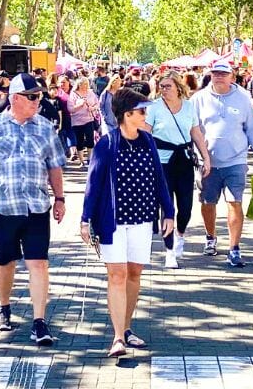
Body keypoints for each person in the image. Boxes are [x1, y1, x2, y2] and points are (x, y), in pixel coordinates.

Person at [0, 73, 66, 344]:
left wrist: (60, 199)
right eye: (33, 97)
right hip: (3, 207)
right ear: (15, 98)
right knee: (5, 261)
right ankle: (4, 306)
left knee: (38, 262)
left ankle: (39, 322)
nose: (38, 101)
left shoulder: (46, 127)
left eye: (40, 96)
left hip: (36, 207)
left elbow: (55, 165)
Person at [80, 88, 174, 357]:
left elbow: (159, 178)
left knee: (134, 274)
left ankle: (128, 327)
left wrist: (168, 211)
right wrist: (85, 220)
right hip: (113, 221)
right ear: (126, 115)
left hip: (143, 218)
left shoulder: (148, 140)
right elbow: (93, 184)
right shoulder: (107, 144)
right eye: (142, 111)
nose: (146, 115)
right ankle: (118, 337)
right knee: (117, 275)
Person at [190, 59, 253, 267]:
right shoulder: (199, 99)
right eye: (215, 73)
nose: (219, 77)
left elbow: (252, 128)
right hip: (208, 162)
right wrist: (198, 156)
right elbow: (192, 128)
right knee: (208, 203)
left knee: (235, 202)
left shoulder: (242, 98)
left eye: (223, 73)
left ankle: (234, 248)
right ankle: (210, 237)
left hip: (236, 160)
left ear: (232, 76)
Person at [147, 71, 211, 268]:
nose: (164, 90)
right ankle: (169, 251)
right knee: (167, 208)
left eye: (168, 86)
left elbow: (196, 133)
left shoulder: (189, 106)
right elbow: (146, 135)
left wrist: (206, 157)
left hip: (183, 160)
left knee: (185, 207)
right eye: (161, 86)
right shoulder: (154, 107)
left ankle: (180, 233)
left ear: (178, 87)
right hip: (162, 162)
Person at [68, 76, 101, 167]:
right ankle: (81, 161)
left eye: (87, 84)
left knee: (90, 140)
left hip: (89, 119)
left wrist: (93, 108)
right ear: (79, 85)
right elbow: (70, 109)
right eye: (83, 84)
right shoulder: (73, 94)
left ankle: (89, 159)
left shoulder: (90, 93)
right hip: (77, 121)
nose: (85, 86)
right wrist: (79, 105)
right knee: (80, 141)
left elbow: (97, 103)